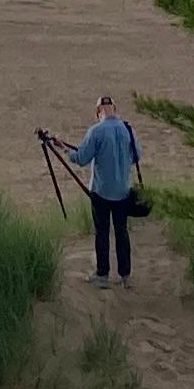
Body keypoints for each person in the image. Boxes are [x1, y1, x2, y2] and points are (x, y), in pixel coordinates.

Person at [66, 94, 142, 284]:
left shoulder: (96, 131)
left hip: (101, 192)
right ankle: (125, 276)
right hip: (123, 191)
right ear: (114, 109)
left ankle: (102, 275)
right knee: (121, 232)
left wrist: (67, 151)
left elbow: (82, 158)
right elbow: (136, 156)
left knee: (102, 233)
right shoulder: (127, 129)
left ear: (98, 111)